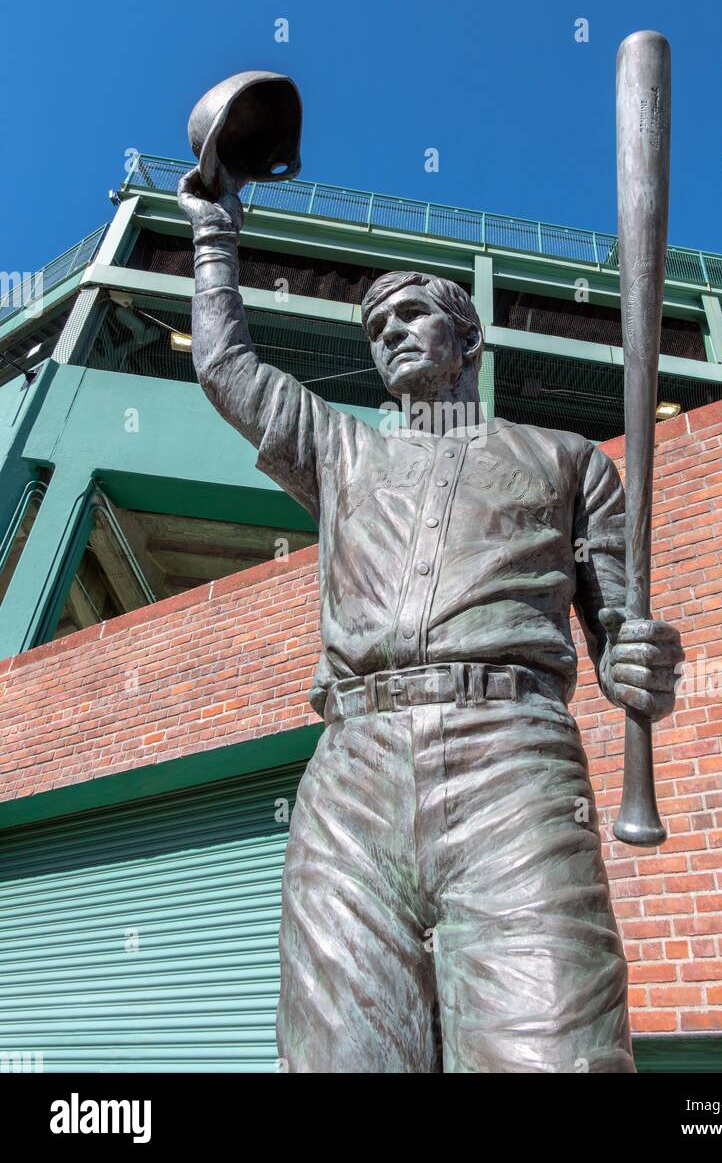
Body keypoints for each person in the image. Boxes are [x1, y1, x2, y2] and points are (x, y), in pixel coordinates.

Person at [179, 168, 683, 1074]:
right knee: (339, 1059)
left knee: (558, 1051)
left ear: (469, 335)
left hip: (514, 765)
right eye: (376, 330)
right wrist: (215, 233)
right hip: (352, 774)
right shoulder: (340, 452)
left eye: (410, 315)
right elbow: (225, 368)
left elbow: (617, 644)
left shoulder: (568, 462)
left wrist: (642, 662)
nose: (390, 334)